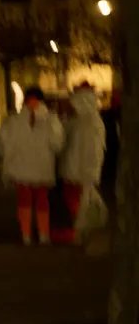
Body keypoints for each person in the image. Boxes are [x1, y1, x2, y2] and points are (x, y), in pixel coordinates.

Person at [0, 86, 65, 246]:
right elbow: (57, 145)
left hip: (21, 169)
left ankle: (26, 234)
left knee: (24, 200)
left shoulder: (14, 120)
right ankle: (43, 233)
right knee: (42, 200)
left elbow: (1, 143)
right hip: (43, 168)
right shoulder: (51, 119)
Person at [59, 84, 106, 243]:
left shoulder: (91, 123)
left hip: (81, 171)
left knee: (80, 202)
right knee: (75, 200)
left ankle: (80, 232)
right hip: (74, 170)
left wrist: (92, 172)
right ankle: (79, 230)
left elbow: (93, 151)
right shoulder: (80, 121)